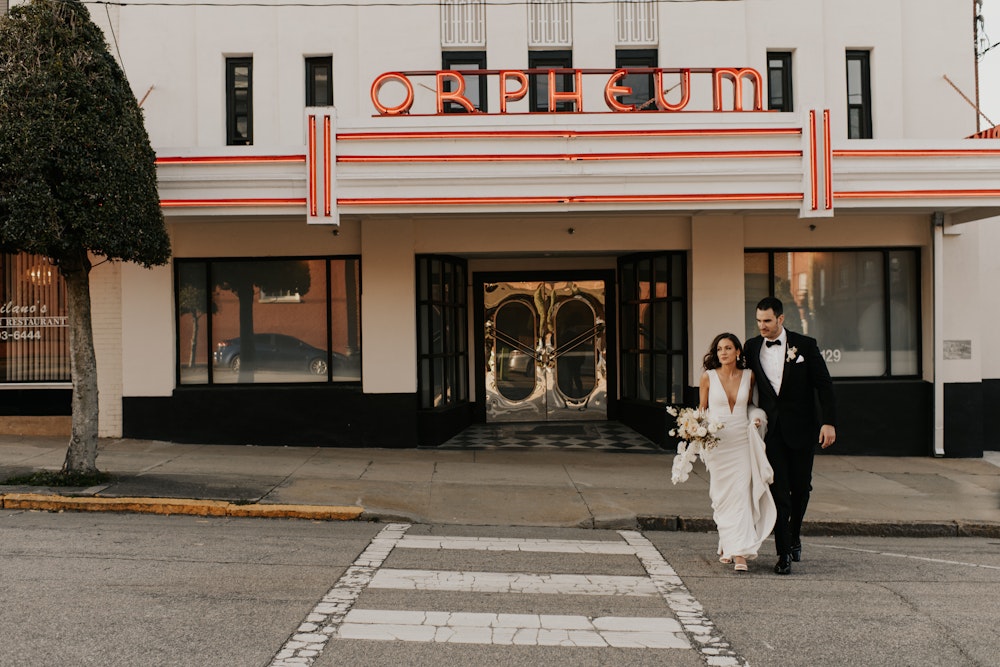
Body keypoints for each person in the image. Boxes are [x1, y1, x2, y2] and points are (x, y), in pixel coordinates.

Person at [744, 297, 837, 575]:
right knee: (778, 491)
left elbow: (824, 385)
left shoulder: (805, 345)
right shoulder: (751, 347)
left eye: (767, 321)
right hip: (772, 432)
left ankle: (794, 535)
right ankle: (783, 552)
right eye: (759, 321)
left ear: (780, 319)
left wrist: (829, 422)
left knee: (801, 489)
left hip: (803, 429)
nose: (762, 326)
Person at [698, 332, 777, 573]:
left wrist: (756, 418)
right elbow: (702, 411)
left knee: (741, 495)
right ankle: (727, 542)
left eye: (728, 348)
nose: (723, 352)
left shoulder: (749, 376)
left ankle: (740, 553)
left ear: (738, 352)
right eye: (719, 349)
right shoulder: (708, 377)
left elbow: (751, 405)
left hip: (742, 442)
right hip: (718, 445)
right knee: (722, 498)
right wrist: (696, 430)